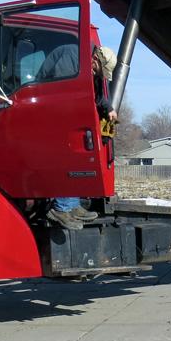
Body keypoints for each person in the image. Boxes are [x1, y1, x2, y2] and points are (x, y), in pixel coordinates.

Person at [48, 46, 120, 230]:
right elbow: (63, 89)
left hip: (68, 115)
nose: (98, 74)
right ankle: (61, 208)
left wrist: (108, 108)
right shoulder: (72, 56)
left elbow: (96, 97)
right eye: (98, 70)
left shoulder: (88, 68)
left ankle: (71, 205)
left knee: (78, 160)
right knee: (66, 158)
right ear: (95, 58)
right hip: (53, 113)